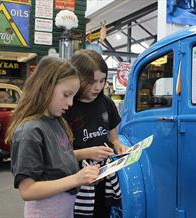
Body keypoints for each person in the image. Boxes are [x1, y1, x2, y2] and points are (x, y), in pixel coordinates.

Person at [5, 56, 100, 218]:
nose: (70, 103)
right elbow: (27, 190)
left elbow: (57, 157)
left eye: (73, 96)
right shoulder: (30, 131)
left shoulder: (56, 122)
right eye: (66, 94)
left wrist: (85, 172)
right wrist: (76, 179)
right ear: (46, 87)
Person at [64, 49, 128, 218]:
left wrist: (118, 145)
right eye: (92, 82)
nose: (98, 87)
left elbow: (113, 137)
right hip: (75, 181)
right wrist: (88, 152)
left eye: (102, 80)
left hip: (103, 177)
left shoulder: (106, 103)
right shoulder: (65, 106)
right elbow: (58, 155)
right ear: (77, 79)